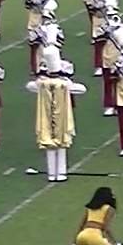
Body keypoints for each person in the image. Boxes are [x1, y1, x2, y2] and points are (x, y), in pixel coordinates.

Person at [26, 46, 87, 182]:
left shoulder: (42, 84)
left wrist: (42, 81)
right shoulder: (64, 84)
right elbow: (82, 89)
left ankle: (52, 174)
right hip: (61, 116)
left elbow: (29, 86)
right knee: (61, 144)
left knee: (49, 143)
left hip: (47, 116)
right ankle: (61, 173)